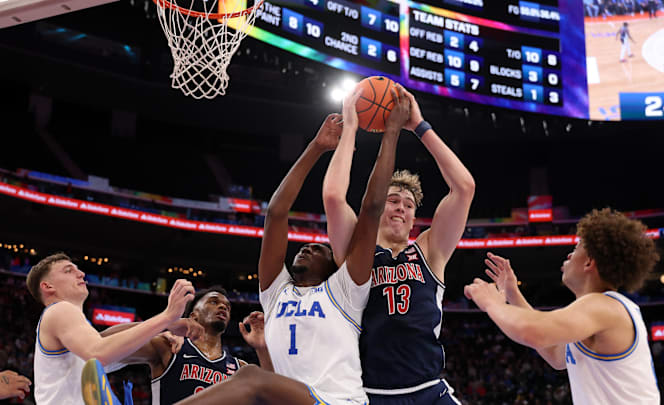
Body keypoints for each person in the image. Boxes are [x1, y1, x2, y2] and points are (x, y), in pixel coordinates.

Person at [138, 87, 408, 405]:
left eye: (318, 249)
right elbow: (277, 213)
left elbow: (372, 208)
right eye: (306, 245)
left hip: (338, 402)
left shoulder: (346, 289)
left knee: (249, 378)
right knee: (250, 384)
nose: (307, 246)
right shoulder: (276, 291)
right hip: (295, 400)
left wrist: (391, 132)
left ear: (334, 265)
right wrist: (317, 146)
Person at [323, 85, 475, 404]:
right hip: (367, 393)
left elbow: (464, 187)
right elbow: (334, 197)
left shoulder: (429, 250)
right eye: (393, 200)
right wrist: (351, 126)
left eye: (408, 205)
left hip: (428, 391)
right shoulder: (356, 247)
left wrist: (419, 126)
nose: (401, 208)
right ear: (380, 208)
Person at [464, 208, 661, 404]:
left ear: (588, 263)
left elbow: (533, 332)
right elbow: (555, 355)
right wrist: (513, 294)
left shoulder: (603, 306)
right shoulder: (602, 310)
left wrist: (492, 303)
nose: (569, 255)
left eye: (576, 249)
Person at [26, 252, 199, 405]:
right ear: (48, 286)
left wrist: (169, 325)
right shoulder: (60, 309)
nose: (81, 273)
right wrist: (167, 317)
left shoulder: (72, 336)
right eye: (68, 270)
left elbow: (108, 339)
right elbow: (98, 352)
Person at [87, 286, 273, 405]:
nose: (223, 307)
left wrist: (262, 348)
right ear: (193, 315)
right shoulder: (170, 347)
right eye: (214, 302)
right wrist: (167, 322)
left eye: (227, 306)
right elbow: (102, 342)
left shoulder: (240, 368)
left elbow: (274, 397)